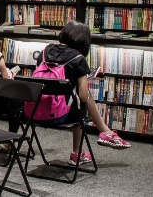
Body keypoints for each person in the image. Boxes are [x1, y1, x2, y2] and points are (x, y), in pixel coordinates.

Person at [33, 20, 131, 164]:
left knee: (76, 100)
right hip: (59, 115)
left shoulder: (45, 52)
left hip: (34, 111)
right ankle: (87, 145)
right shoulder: (78, 59)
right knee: (82, 101)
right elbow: (83, 95)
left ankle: (104, 133)